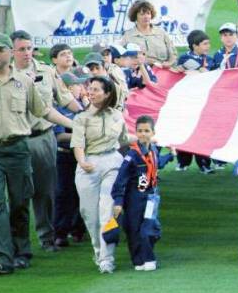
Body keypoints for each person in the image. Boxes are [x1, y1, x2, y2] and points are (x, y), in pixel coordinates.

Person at [0, 33, 74, 275]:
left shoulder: (24, 81)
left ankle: (21, 252)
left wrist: (76, 125)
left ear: (9, 52)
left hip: (18, 149)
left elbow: (45, 111)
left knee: (20, 202)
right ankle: (1, 257)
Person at [11, 31, 82, 253]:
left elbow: (66, 98)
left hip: (43, 137)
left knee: (46, 191)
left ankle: (47, 237)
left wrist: (85, 116)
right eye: (21, 49)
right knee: (18, 194)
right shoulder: (6, 74)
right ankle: (19, 242)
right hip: (17, 140)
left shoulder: (47, 71)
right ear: (12, 51)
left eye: (29, 48)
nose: (26, 53)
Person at [71, 76, 132, 272]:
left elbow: (124, 140)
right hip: (89, 164)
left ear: (107, 93)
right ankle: (98, 251)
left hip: (112, 162)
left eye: (96, 89)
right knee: (89, 213)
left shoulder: (117, 115)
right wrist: (82, 161)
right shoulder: (81, 118)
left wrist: (147, 137)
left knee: (107, 210)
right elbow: (78, 144)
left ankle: (107, 258)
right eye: (90, 89)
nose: (91, 92)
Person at [111, 115, 174, 272]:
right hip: (134, 198)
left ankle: (148, 258)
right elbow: (120, 180)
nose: (143, 134)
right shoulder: (132, 155)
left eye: (146, 131)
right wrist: (118, 201)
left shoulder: (153, 150)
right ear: (136, 132)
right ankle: (138, 260)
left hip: (151, 197)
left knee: (150, 228)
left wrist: (171, 155)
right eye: (140, 131)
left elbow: (158, 164)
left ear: (153, 133)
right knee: (133, 229)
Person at [52, 67, 90, 248]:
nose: (81, 88)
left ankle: (78, 229)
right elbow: (59, 136)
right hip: (65, 156)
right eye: (77, 85)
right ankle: (60, 233)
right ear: (67, 88)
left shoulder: (82, 105)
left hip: (81, 155)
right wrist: (82, 135)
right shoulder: (59, 108)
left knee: (81, 193)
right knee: (63, 194)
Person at [175, 30, 214, 174]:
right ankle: (183, 161)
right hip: (187, 102)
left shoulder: (209, 59)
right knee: (184, 131)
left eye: (208, 43)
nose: (208, 46)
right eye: (205, 44)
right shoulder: (184, 58)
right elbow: (190, 67)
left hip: (203, 102)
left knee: (202, 133)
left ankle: (204, 163)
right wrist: (200, 69)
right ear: (194, 46)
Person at [120, 0, 178, 68]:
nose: (146, 16)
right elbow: (120, 58)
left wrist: (169, 63)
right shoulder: (128, 35)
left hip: (162, 70)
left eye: (148, 13)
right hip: (139, 71)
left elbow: (173, 54)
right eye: (142, 14)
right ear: (135, 16)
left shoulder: (161, 32)